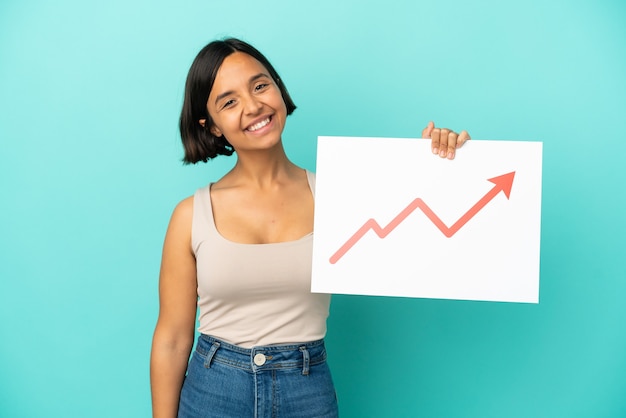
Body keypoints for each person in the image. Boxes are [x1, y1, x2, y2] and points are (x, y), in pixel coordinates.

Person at [149, 37, 470, 418]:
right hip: (213, 391)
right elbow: (171, 339)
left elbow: (425, 229)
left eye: (260, 85)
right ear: (212, 126)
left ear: (278, 89)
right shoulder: (191, 214)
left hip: (306, 391)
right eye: (229, 102)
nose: (253, 106)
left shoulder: (340, 199)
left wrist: (441, 162)